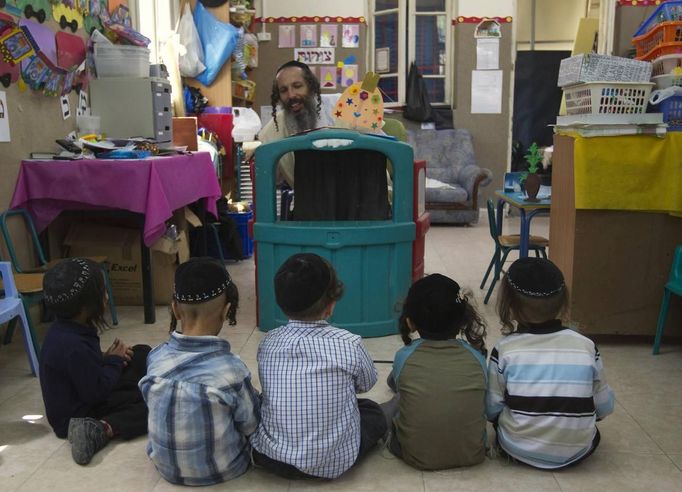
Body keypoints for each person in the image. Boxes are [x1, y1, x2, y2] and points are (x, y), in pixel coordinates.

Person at [250, 253, 387, 479]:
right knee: (371, 410)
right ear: (331, 306)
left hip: (271, 458)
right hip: (331, 463)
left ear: (281, 303)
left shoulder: (268, 341)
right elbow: (366, 384)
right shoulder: (348, 343)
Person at [139, 257, 259, 486]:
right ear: (227, 311)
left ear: (175, 309)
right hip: (225, 470)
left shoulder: (155, 358)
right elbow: (251, 425)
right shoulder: (231, 370)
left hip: (165, 469)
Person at [486, 257, 615, 470]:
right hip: (578, 450)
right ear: (563, 301)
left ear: (509, 305)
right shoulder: (586, 346)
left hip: (516, 448)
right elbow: (604, 407)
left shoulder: (505, 349)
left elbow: (492, 408)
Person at [39, 258, 151, 466]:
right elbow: (96, 391)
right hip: (76, 416)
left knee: (141, 353)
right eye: (103, 292)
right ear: (85, 307)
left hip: (82, 395)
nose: (107, 297)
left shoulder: (66, 329)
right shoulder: (74, 345)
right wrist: (114, 362)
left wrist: (104, 358)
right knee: (148, 403)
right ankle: (101, 428)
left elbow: (82, 370)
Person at [380, 273, 488, 470]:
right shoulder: (477, 357)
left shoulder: (404, 356)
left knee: (393, 402)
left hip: (412, 455)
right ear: (463, 319)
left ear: (410, 321)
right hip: (473, 453)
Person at [257, 60, 329, 187]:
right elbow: (270, 179)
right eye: (284, 90)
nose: (291, 95)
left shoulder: (339, 108)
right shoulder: (271, 132)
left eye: (297, 86)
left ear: (310, 87)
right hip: (305, 199)